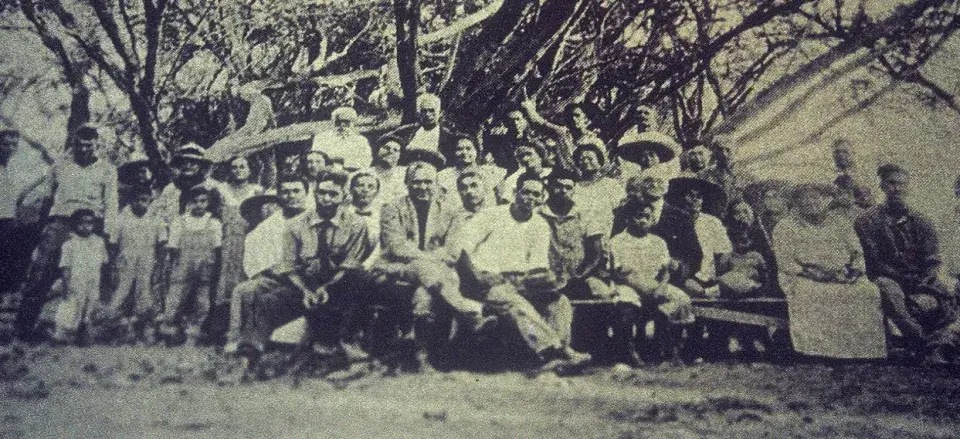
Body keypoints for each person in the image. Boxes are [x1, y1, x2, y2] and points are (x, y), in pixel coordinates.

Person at [451, 173, 590, 370]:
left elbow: (537, 266)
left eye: (536, 194)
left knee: (559, 302)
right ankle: (555, 352)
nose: (530, 198)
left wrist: (546, 282)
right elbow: (461, 250)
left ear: (542, 198)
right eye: (526, 192)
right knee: (512, 300)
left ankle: (555, 357)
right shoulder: (490, 216)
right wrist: (479, 277)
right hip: (484, 282)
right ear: (516, 192)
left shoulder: (540, 225)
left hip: (519, 282)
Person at [234, 171, 375, 360]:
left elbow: (351, 263)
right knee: (267, 302)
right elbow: (290, 264)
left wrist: (327, 287)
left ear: (344, 197)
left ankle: (347, 343)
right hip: (307, 281)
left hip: (341, 282)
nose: (326, 199)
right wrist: (305, 290)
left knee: (361, 281)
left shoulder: (356, 224)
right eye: (322, 193)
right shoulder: (296, 225)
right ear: (315, 194)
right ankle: (249, 352)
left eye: (333, 194)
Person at [375, 161, 486, 370]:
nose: (423, 187)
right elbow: (396, 246)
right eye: (417, 182)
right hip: (398, 269)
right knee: (421, 268)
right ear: (407, 182)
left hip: (438, 274)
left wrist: (428, 261)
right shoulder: (392, 209)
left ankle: (421, 356)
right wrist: (427, 260)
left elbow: (452, 250)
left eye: (428, 182)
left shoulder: (452, 212)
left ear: (436, 184)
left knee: (423, 296)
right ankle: (464, 308)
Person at [15, 124, 119, 340]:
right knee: (41, 272)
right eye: (79, 144)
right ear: (74, 143)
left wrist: (109, 234)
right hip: (61, 223)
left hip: (90, 224)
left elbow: (111, 204)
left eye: (89, 146)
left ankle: (81, 328)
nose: (84, 149)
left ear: (96, 145)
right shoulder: (60, 165)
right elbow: (47, 197)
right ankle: (23, 327)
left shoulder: (107, 170)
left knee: (84, 279)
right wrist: (43, 227)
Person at [854, 164, 960, 364]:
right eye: (892, 183)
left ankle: (941, 343)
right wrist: (907, 282)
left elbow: (933, 260)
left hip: (920, 280)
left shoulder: (922, 221)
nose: (897, 189)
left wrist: (925, 285)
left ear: (908, 187)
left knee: (945, 290)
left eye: (902, 184)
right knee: (889, 291)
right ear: (882, 186)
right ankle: (925, 346)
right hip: (886, 278)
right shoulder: (867, 221)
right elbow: (875, 261)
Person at [774, 183, 886, 359]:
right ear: (796, 202)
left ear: (826, 200)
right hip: (803, 276)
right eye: (805, 199)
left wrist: (854, 271)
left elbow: (857, 253)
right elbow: (785, 262)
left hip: (841, 275)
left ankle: (861, 350)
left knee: (867, 291)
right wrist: (813, 273)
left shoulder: (840, 223)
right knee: (814, 293)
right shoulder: (785, 227)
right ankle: (818, 350)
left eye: (816, 198)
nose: (811, 202)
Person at [226, 176, 308, 353]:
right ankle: (238, 339)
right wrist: (273, 271)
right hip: (275, 276)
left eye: (296, 191)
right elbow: (257, 263)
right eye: (285, 192)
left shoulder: (313, 219)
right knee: (244, 290)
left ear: (306, 193)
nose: (291, 196)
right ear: (279, 196)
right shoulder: (266, 228)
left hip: (308, 278)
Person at [609, 202, 695, 363]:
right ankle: (627, 354)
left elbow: (665, 270)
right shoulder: (617, 241)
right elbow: (619, 273)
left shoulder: (658, 242)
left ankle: (667, 350)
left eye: (647, 217)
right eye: (638, 216)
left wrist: (661, 287)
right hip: (628, 284)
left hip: (654, 284)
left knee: (681, 299)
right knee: (626, 302)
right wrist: (645, 289)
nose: (643, 221)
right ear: (628, 219)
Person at [539, 168, 607, 352]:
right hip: (547, 276)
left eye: (568, 187)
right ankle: (552, 347)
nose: (563, 191)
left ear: (574, 189)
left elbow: (595, 254)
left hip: (579, 275)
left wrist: (578, 275)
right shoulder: (538, 214)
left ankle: (601, 348)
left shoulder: (585, 214)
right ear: (549, 187)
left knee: (605, 295)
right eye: (558, 186)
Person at [160, 186, 223, 345]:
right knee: (175, 299)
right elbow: (173, 247)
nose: (199, 205)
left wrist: (215, 268)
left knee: (202, 303)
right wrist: (171, 267)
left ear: (208, 202)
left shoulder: (214, 223)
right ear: (189, 203)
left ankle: (193, 332)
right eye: (195, 201)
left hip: (205, 269)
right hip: (182, 267)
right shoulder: (180, 222)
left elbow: (217, 248)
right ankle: (170, 331)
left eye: (203, 201)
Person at [107, 187, 164, 339]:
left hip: (147, 259)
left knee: (144, 290)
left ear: (150, 201)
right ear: (130, 201)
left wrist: (159, 263)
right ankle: (114, 325)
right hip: (126, 259)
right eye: (137, 200)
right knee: (122, 290)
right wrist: (112, 263)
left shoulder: (155, 218)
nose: (141, 204)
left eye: (144, 200)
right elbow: (113, 243)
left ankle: (143, 326)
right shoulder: (121, 218)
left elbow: (161, 243)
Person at [0, 129, 45, 307]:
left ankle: (4, 295)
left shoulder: (15, 168)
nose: (9, 148)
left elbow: (20, 194)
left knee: (6, 256)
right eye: (5, 144)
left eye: (13, 144)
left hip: (8, 218)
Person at [50, 209, 109, 344]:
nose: (85, 226)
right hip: (75, 283)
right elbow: (65, 267)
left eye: (89, 222)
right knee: (70, 307)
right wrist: (65, 286)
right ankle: (60, 335)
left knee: (89, 309)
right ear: (74, 224)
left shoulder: (98, 242)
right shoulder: (69, 244)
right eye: (81, 223)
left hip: (93, 281)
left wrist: (103, 283)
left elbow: (103, 263)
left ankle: (83, 336)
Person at [719, 199, 779, 298]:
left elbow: (768, 263)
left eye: (745, 211)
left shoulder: (760, 234)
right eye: (737, 212)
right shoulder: (727, 234)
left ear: (752, 213)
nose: (742, 215)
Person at [519, 99, 601, 170]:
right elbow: (540, 122)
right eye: (570, 116)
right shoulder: (563, 133)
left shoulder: (595, 141)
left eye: (577, 115)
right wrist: (528, 108)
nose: (573, 119)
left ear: (586, 119)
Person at [386, 93, 456, 164]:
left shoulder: (447, 135)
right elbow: (385, 140)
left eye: (431, 111)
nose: (427, 115)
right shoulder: (407, 130)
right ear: (418, 113)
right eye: (424, 111)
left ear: (438, 112)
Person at [571, 139, 625, 229]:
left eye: (590, 158)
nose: (586, 162)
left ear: (599, 161)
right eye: (582, 159)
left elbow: (621, 211)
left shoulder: (610, 184)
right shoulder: (575, 187)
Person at [435, 136, 505, 205]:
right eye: (459, 149)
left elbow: (502, 202)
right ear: (453, 152)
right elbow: (439, 203)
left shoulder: (490, 172)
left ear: (476, 151)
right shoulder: (444, 175)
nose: (464, 152)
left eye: (469, 148)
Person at [311, 106, 373, 172]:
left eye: (346, 122)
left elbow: (365, 162)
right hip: (327, 175)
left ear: (353, 124)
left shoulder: (361, 141)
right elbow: (316, 160)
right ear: (332, 122)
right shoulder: (321, 138)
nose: (342, 125)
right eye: (338, 122)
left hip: (352, 174)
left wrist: (342, 162)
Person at [614, 131, 681, 184]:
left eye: (651, 155)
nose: (647, 158)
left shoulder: (664, 179)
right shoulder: (633, 180)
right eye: (642, 155)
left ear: (659, 157)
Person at [372, 137, 408, 205]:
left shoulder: (405, 173)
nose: (390, 151)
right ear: (377, 151)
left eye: (395, 150)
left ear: (399, 156)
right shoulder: (367, 173)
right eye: (386, 148)